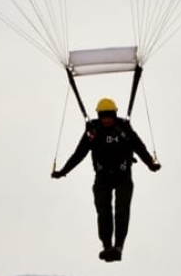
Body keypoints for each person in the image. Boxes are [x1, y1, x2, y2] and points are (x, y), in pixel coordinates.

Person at [51, 97, 161, 262]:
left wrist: (151, 164)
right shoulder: (93, 132)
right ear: (99, 116)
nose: (107, 119)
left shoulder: (124, 128)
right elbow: (79, 154)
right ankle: (107, 246)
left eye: (110, 115)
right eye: (104, 116)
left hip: (123, 177)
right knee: (103, 212)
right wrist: (62, 171)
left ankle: (118, 247)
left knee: (121, 211)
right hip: (103, 178)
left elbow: (139, 147)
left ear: (115, 115)